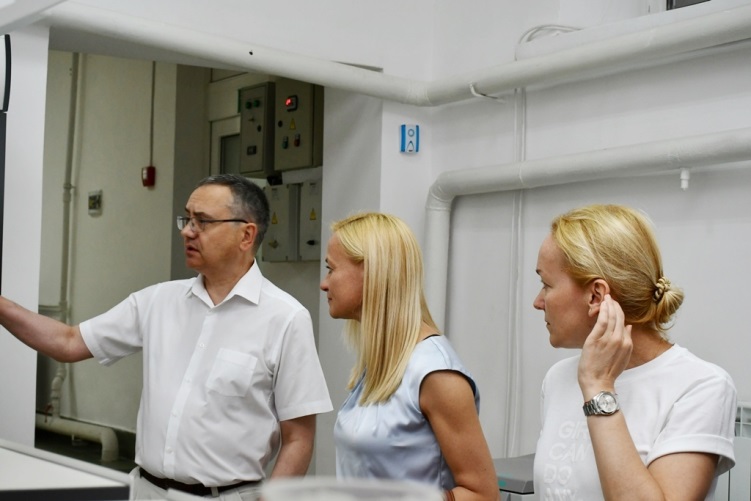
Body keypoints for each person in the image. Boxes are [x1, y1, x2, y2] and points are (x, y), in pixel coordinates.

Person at [0, 174, 333, 500]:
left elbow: (298, 438)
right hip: (146, 490)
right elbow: (69, 342)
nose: (187, 231)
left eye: (203, 222)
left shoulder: (285, 318)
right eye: (187, 219)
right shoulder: (158, 301)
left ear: (246, 235)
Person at [532, 204, 736, 500]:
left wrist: (598, 388)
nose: (538, 302)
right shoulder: (558, 378)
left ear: (596, 295)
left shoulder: (701, 387)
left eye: (546, 284)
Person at [320, 212, 499, 501]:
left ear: (371, 272)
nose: (324, 284)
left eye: (331, 269)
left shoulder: (436, 374)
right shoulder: (383, 363)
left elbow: (483, 495)